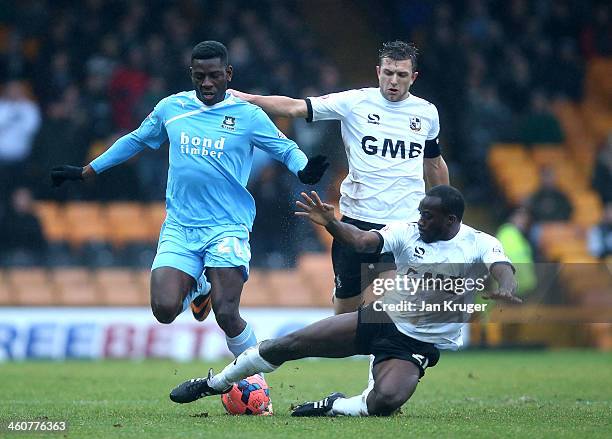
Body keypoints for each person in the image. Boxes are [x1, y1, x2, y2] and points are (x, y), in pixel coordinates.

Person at [50, 41, 328, 361]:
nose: (207, 83)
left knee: (226, 313)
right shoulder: (172, 108)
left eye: (213, 76)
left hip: (227, 226)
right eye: (199, 76)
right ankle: (200, 287)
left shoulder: (248, 115)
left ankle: (253, 382)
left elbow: (285, 147)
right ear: (191, 74)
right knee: (164, 309)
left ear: (228, 73)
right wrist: (88, 170)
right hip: (180, 225)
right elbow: (137, 139)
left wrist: (303, 169)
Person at [169, 186, 520, 417]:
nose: (421, 219)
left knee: (385, 402)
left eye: (428, 215)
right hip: (380, 318)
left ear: (451, 220)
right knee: (286, 345)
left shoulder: (478, 243)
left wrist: (505, 286)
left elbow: (502, 267)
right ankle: (213, 384)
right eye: (420, 212)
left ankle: (335, 405)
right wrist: (333, 224)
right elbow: (366, 241)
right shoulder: (408, 230)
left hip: (418, 344)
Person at [230, 40, 450, 315]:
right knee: (345, 314)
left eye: (402, 75)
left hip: (404, 225)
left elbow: (434, 162)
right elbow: (295, 107)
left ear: (413, 77)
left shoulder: (426, 113)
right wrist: (248, 99)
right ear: (378, 71)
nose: (394, 81)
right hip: (356, 222)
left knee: (392, 310)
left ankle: (385, 356)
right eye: (388, 73)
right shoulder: (354, 102)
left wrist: (446, 209)